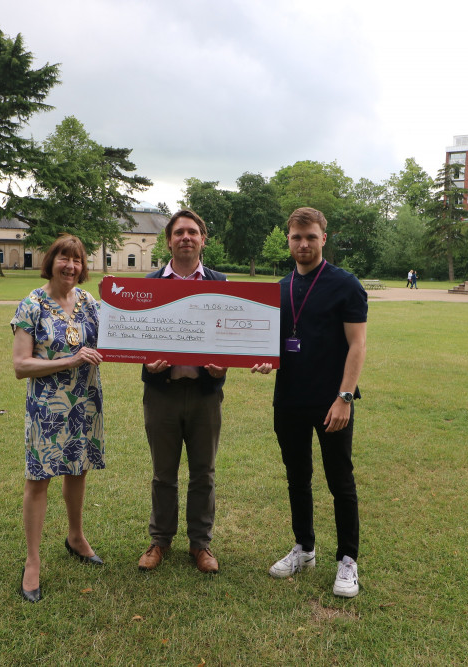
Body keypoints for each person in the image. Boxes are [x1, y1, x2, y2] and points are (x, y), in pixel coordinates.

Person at [252, 206, 368, 598]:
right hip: (289, 400)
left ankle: (347, 561)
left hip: (331, 401)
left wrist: (345, 397)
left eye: (310, 237)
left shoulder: (345, 284)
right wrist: (266, 361)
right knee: (297, 478)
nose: (303, 243)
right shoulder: (280, 288)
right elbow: (277, 343)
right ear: (288, 240)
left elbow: (357, 344)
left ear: (323, 237)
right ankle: (304, 548)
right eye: (296, 237)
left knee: (340, 481)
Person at [11, 234, 105, 603]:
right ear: (50, 261)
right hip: (47, 407)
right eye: (64, 258)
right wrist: (70, 360)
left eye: (77, 260)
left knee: (77, 470)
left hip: (85, 401)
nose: (71, 266)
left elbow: (112, 340)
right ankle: (32, 561)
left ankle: (76, 536)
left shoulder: (89, 302)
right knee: (38, 480)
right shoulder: (32, 305)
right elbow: (20, 366)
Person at [137, 209, 227, 574]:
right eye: (179, 233)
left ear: (203, 239)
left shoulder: (221, 283)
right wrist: (146, 362)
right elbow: (136, 337)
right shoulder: (148, 283)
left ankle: (200, 544)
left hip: (205, 394)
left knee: (203, 472)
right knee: (163, 473)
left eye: (193, 232)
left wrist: (225, 364)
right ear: (169, 240)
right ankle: (160, 541)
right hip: (163, 393)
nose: (186, 238)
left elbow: (230, 337)